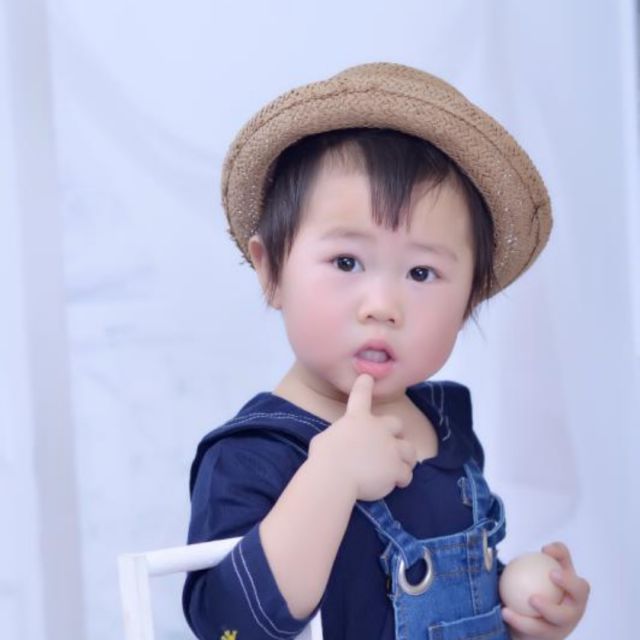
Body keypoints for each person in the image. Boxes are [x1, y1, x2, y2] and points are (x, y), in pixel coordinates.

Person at [182, 63, 590, 640]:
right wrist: (331, 475)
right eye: (346, 261)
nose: (383, 306)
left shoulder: (444, 428)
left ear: (469, 300)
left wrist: (521, 612)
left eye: (422, 272)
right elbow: (228, 627)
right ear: (271, 271)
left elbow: (459, 596)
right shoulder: (254, 454)